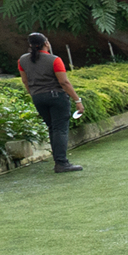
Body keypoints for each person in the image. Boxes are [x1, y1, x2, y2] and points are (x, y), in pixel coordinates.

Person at [17, 32, 83, 172]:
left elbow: (25, 81)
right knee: (60, 129)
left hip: (38, 97)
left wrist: (34, 94)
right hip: (56, 97)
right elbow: (64, 82)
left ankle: (59, 161)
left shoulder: (22, 60)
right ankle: (61, 163)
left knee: (52, 128)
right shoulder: (54, 60)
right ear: (46, 43)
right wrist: (77, 100)